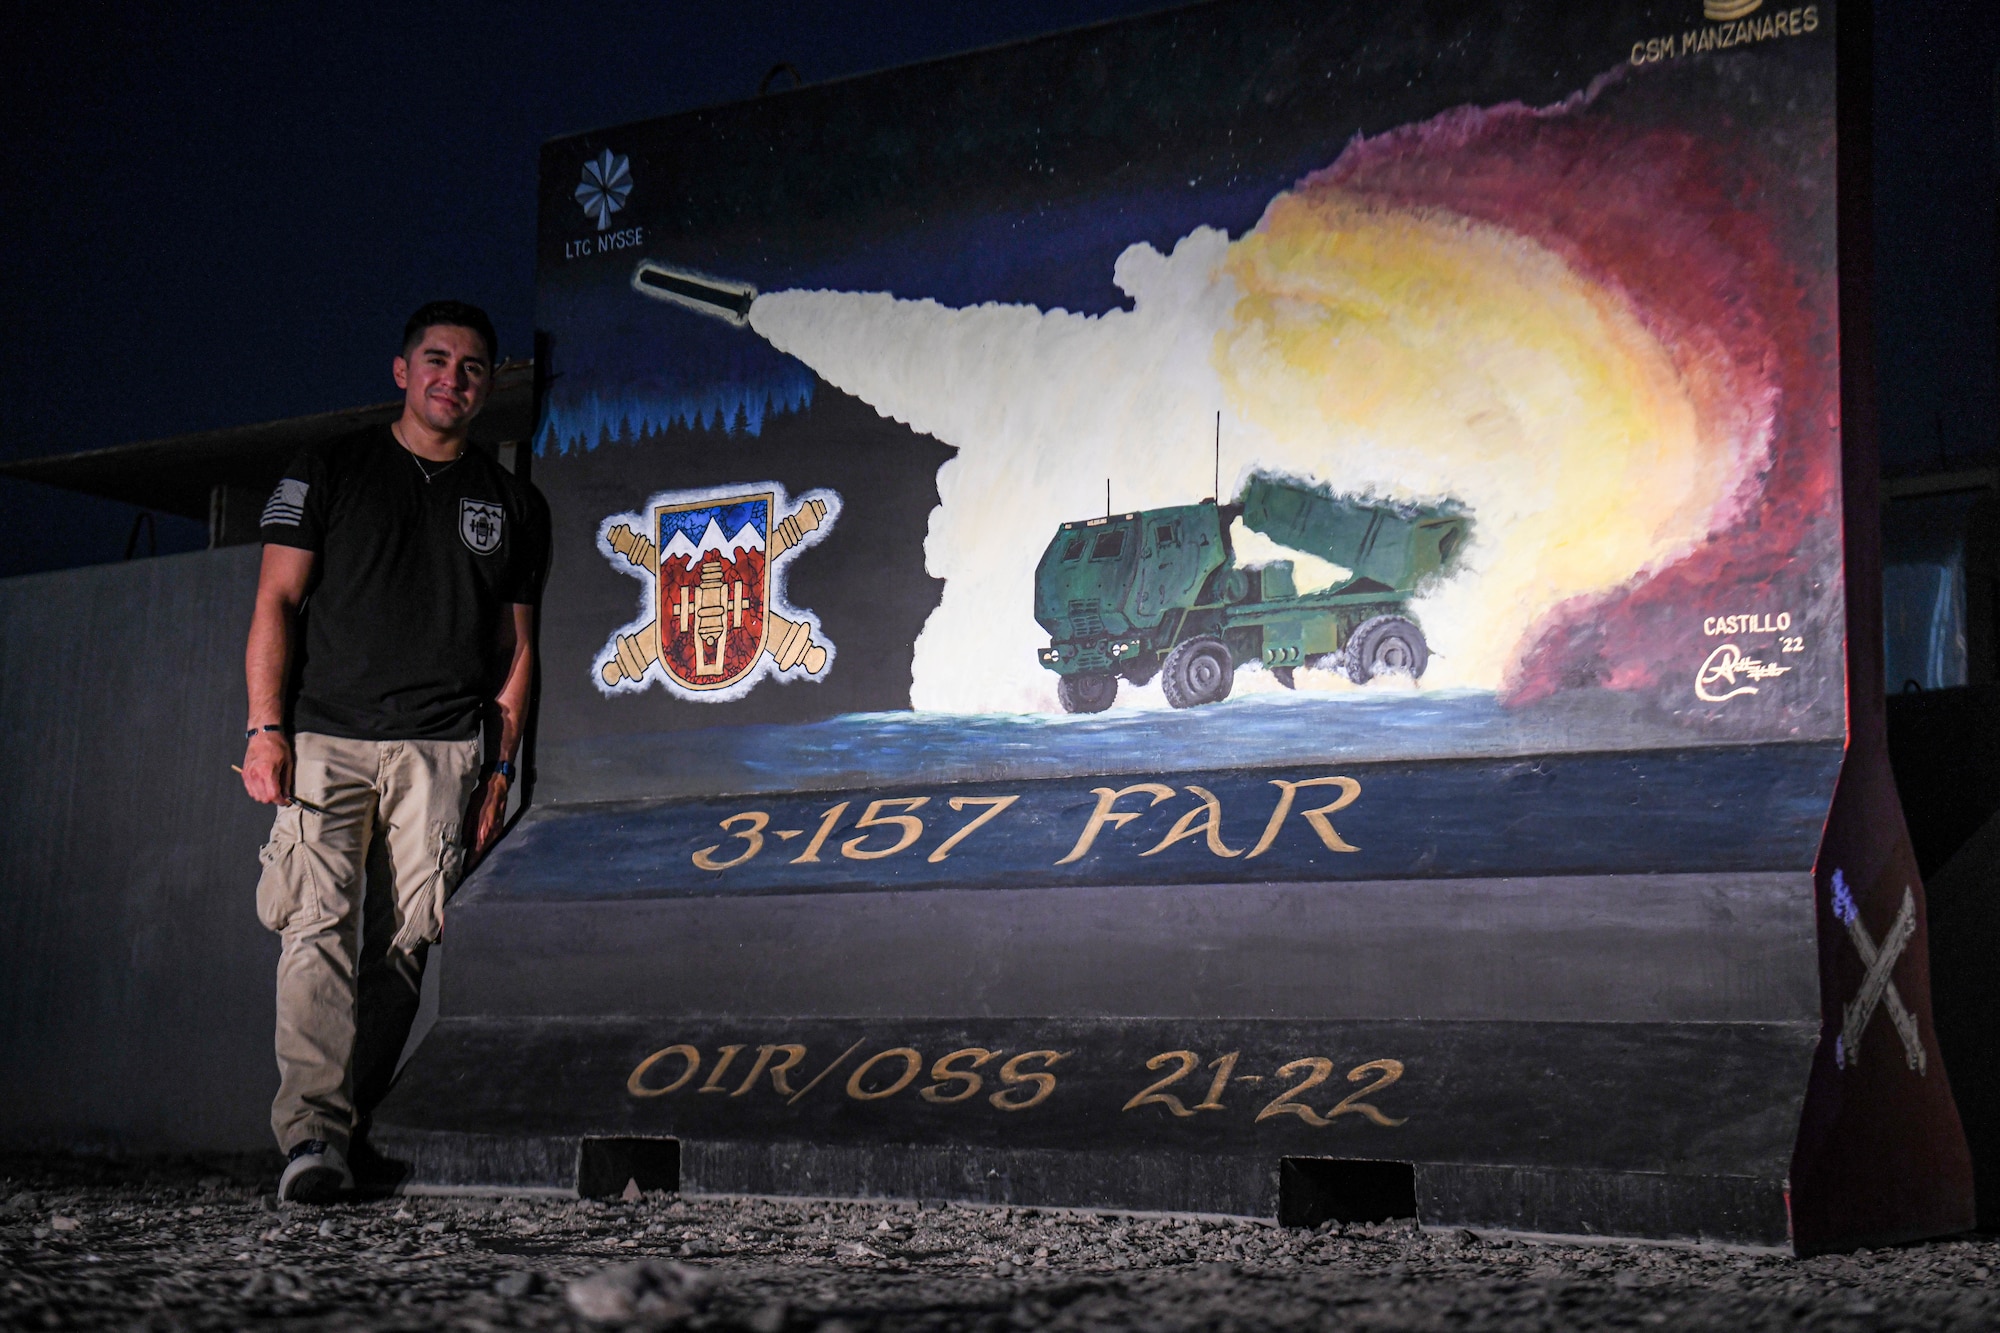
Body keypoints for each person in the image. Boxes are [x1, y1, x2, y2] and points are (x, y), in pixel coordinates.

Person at [239, 301, 549, 1202]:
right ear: (402, 370)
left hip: (441, 753)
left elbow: (517, 653)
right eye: (437, 360)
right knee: (316, 929)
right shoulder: (329, 468)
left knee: (403, 948)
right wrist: (265, 728)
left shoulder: (512, 502)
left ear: (489, 385)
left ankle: (345, 1127)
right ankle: (310, 1135)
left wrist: (497, 772)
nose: (454, 378)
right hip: (324, 738)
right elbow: (275, 603)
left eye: (473, 367)